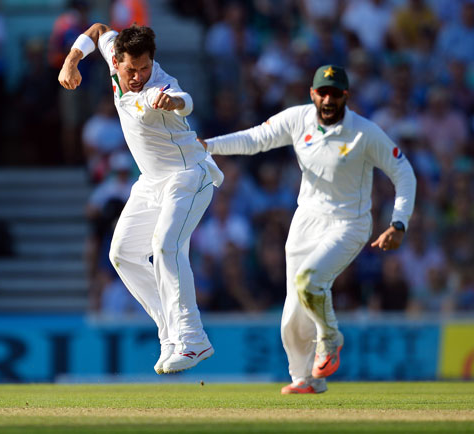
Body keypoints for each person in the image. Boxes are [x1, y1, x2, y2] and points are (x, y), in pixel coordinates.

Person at [201, 65, 416, 393]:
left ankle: (330, 339)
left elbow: (403, 172)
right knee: (292, 311)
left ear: (346, 96)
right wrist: (209, 146)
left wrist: (398, 222)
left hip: (349, 222)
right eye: (322, 93)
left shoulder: (364, 132)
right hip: (306, 221)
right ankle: (306, 379)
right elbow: (256, 138)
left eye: (335, 94)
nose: (328, 100)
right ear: (313, 93)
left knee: (310, 281)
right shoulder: (298, 118)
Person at [59, 23, 223, 374]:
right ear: (115, 60)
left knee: (166, 246)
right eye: (131, 69)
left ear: (153, 62)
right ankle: (170, 334)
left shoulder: (159, 86)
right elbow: (99, 29)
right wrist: (71, 59)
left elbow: (185, 102)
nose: (137, 77)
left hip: (189, 177)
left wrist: (173, 100)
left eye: (144, 68)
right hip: (151, 183)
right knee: (122, 254)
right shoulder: (114, 53)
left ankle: (193, 339)